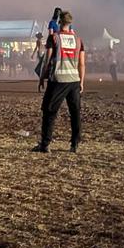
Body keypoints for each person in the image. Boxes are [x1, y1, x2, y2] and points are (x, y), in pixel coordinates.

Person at [32, 10, 85, 153]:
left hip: (58, 80)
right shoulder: (78, 40)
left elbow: (47, 60)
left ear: (59, 22)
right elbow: (81, 64)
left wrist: (42, 77)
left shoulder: (54, 38)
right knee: (75, 112)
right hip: (74, 80)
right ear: (71, 23)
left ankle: (45, 144)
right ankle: (74, 144)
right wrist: (81, 82)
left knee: (49, 111)